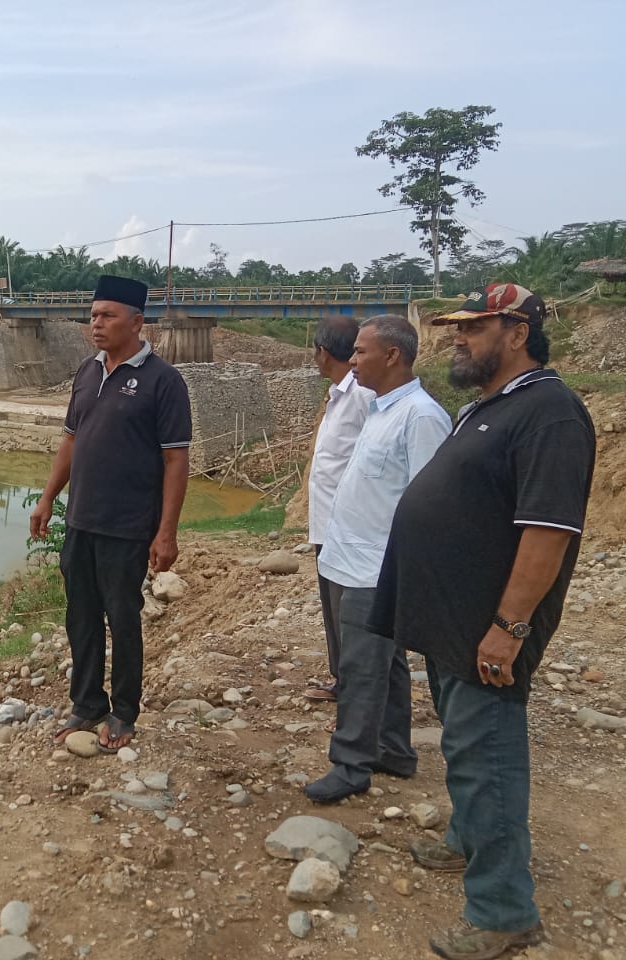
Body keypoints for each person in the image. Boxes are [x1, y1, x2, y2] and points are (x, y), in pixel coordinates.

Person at [370, 284, 595, 960]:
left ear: (518, 331)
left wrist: (511, 625)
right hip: (451, 621)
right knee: (465, 749)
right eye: (456, 328)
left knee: (487, 755)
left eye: (474, 328)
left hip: (488, 630)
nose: (457, 339)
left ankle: (503, 910)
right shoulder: (487, 408)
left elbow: (548, 532)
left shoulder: (551, 414)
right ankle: (468, 840)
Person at [30, 275, 192, 753]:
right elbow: (71, 441)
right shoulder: (87, 371)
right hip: (80, 521)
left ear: (137, 322)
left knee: (123, 620)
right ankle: (86, 702)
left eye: (107, 316)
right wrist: (47, 499)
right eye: (93, 315)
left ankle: (124, 712)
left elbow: (176, 460)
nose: (95, 324)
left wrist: (166, 533)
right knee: (80, 617)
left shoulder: (164, 381)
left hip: (127, 528)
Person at [304, 314, 451, 804]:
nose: (354, 360)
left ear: (392, 356)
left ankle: (350, 765)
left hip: (378, 565)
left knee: (360, 666)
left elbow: (431, 504)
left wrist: (414, 573)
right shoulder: (382, 409)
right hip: (351, 556)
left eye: (362, 352)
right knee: (384, 664)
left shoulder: (422, 417)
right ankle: (394, 749)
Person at [305, 316, 374, 703]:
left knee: (348, 610)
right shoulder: (338, 393)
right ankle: (342, 680)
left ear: (323, 352)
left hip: (348, 524)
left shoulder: (362, 395)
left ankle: (357, 690)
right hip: (327, 522)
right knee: (332, 608)